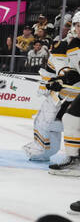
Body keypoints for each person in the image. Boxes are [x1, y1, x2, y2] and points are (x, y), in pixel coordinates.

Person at [25, 21, 78, 162]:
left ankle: (74, 157)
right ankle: (42, 151)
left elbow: (71, 75)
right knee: (45, 122)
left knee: (72, 125)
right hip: (60, 96)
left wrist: (63, 80)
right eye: (76, 26)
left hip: (75, 96)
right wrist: (48, 85)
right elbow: (50, 70)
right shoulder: (60, 47)